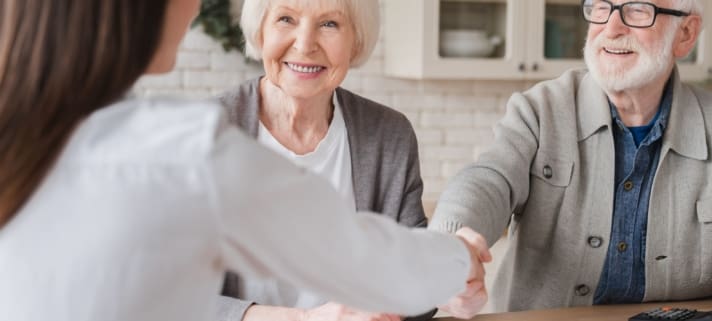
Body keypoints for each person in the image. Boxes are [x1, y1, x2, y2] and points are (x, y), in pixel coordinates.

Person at [0, 1, 492, 321]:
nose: (193, 6)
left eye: (328, 23)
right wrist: (458, 258)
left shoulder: (27, 136)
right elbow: (361, 257)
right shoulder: (181, 152)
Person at [428, 1, 712, 321]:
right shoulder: (540, 109)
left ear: (685, 33)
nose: (611, 28)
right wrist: (452, 240)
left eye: (637, 9)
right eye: (601, 7)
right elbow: (488, 179)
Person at [215, 1, 439, 321]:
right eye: (286, 19)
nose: (305, 44)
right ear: (260, 32)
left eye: (329, 24)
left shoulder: (389, 136)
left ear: (356, 41)